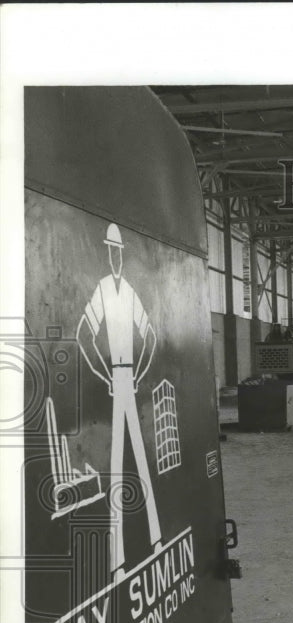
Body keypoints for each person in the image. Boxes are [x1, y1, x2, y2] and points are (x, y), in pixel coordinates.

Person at [76, 223, 161, 585]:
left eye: (117, 249)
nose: (113, 254)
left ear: (122, 253)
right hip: (115, 377)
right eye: (109, 249)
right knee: (116, 466)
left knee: (141, 462)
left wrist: (138, 374)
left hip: (129, 377)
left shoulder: (127, 292)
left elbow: (152, 337)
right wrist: (106, 374)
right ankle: (119, 560)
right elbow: (84, 334)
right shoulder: (103, 291)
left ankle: (155, 540)